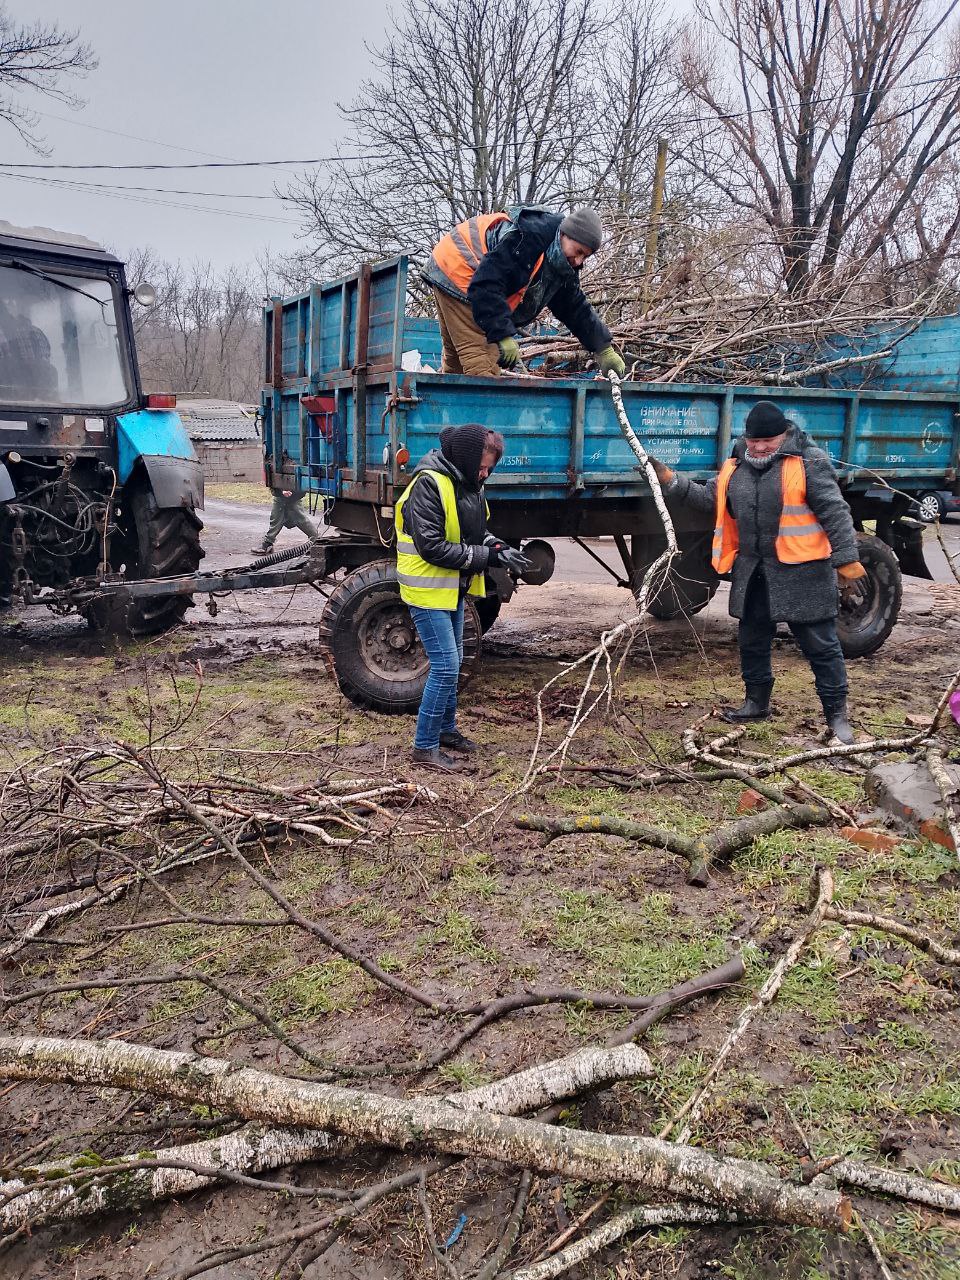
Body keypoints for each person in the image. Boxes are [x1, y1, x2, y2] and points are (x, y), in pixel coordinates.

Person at [648, 400, 867, 744]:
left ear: (784, 436)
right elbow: (710, 499)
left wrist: (846, 557)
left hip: (803, 573)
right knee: (752, 640)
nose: (761, 447)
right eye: (754, 441)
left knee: (821, 646)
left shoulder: (810, 462)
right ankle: (756, 703)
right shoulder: (736, 466)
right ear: (746, 438)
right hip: (754, 572)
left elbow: (835, 511)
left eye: (769, 441)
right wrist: (671, 481)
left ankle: (837, 717)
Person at [395, 422, 529, 770]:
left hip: (450, 588)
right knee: (446, 666)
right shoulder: (429, 484)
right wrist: (488, 557)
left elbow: (474, 531)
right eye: (483, 465)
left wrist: (497, 546)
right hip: (427, 590)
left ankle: (446, 730)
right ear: (466, 458)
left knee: (456, 661)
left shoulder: (466, 483)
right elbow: (433, 547)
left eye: (490, 467)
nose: (486, 472)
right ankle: (424, 746)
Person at [423, 205, 626, 380]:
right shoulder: (529, 239)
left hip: (448, 265)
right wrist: (502, 334)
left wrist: (603, 348)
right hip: (461, 268)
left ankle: (448, 424)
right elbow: (487, 283)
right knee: (482, 365)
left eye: (586, 257)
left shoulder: (559, 263)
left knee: (457, 364)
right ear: (565, 234)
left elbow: (574, 307)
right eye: (579, 251)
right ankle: (476, 423)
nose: (579, 261)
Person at [251, 484, 319, 555]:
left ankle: (316, 540)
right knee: (277, 518)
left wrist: (285, 489)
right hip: (282, 495)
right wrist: (282, 490)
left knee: (299, 519)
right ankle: (268, 543)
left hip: (290, 495)